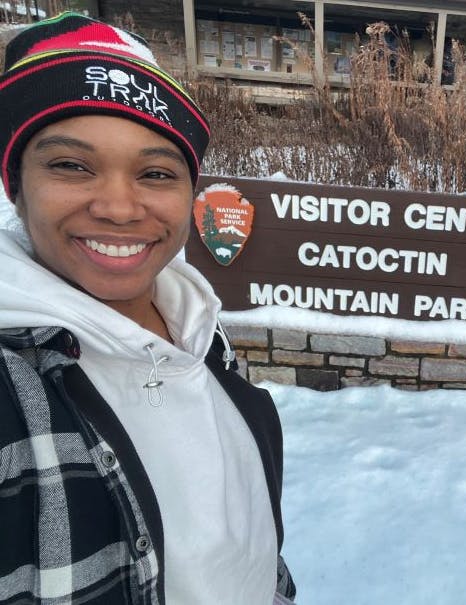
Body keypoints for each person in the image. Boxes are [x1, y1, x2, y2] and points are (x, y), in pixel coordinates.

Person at [0, 13, 295, 604]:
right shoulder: (14, 391)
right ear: (14, 183)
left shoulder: (200, 332)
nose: (118, 207)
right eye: (71, 165)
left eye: (156, 172)